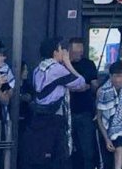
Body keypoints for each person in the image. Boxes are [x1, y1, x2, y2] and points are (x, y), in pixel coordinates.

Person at [23, 37, 87, 169]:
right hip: (55, 117)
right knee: (58, 157)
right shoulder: (56, 69)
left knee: (42, 154)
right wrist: (68, 63)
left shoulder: (38, 69)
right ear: (54, 52)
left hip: (40, 116)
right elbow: (80, 82)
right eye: (60, 49)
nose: (63, 51)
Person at [66, 38, 99, 169]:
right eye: (76, 52)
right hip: (66, 112)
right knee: (67, 150)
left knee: (88, 150)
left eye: (81, 51)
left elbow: (94, 85)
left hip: (85, 111)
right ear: (69, 51)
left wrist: (90, 87)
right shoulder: (63, 65)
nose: (79, 54)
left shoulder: (89, 64)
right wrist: (80, 86)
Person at [95, 62, 122, 169]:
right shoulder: (102, 91)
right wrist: (107, 139)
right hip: (104, 129)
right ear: (111, 76)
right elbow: (99, 117)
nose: (118, 80)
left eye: (121, 76)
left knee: (120, 147)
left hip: (121, 128)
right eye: (116, 76)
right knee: (105, 163)